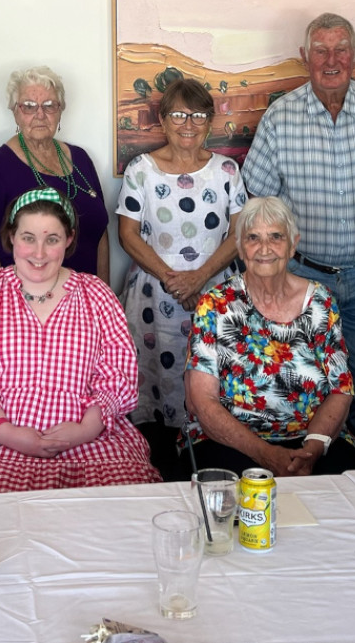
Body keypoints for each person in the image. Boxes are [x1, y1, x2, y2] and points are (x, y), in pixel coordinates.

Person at [242, 12, 355, 467]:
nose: (331, 60)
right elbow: (259, 200)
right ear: (305, 56)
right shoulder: (281, 116)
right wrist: (266, 276)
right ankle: (304, 477)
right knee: (298, 386)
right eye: (321, 50)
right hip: (300, 277)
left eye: (341, 49)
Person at [0, 188, 159, 496]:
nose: (39, 253)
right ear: (12, 236)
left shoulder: (97, 295)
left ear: (68, 239)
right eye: (28, 238)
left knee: (125, 506)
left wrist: (86, 429)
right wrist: (5, 431)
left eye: (52, 239)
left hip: (90, 439)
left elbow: (117, 376)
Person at [116, 78, 246, 478]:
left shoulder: (227, 170)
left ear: (209, 121)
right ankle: (162, 476)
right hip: (154, 301)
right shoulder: (141, 170)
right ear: (162, 119)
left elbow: (239, 233)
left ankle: (212, 469)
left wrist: (199, 278)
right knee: (157, 389)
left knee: (213, 383)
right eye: (178, 114)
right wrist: (175, 279)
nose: (188, 124)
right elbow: (127, 234)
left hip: (215, 295)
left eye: (198, 115)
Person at [184, 197, 355, 476]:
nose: (264, 248)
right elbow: (202, 401)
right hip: (231, 441)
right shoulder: (214, 305)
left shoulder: (321, 302)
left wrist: (312, 449)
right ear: (241, 248)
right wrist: (266, 455)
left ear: (293, 245)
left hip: (312, 437)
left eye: (276, 236)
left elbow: (341, 389)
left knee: (334, 488)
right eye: (253, 238)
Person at [0, 66, 110, 283]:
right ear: (15, 112)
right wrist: (9, 298)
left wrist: (103, 292)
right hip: (27, 299)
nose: (40, 114)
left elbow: (100, 234)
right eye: (29, 106)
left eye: (49, 105)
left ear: (60, 110)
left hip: (84, 298)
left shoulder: (80, 158)